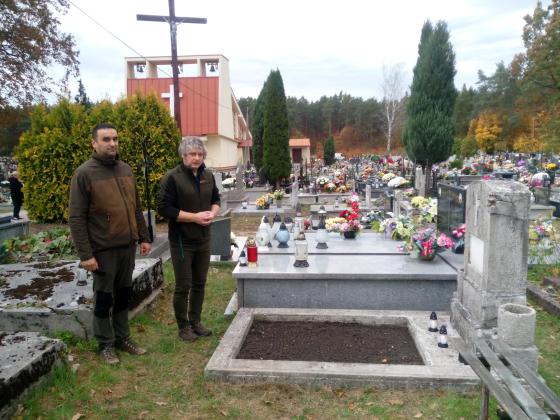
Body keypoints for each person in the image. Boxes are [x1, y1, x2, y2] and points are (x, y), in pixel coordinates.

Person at [68, 123, 151, 364]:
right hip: (103, 250)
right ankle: (105, 344)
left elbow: (135, 207)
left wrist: (144, 236)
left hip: (127, 246)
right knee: (104, 298)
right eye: (106, 139)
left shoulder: (125, 169)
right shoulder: (84, 174)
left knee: (124, 294)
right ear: (94, 143)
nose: (112, 143)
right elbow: (76, 217)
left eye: (115, 139)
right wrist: (86, 255)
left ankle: (123, 338)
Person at [157, 136, 220, 342]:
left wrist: (212, 213)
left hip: (203, 238)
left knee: (200, 283)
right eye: (192, 154)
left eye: (200, 154)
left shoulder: (208, 176)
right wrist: (195, 217)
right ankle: (183, 326)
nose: (196, 158)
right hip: (182, 241)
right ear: (183, 155)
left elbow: (216, 199)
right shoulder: (172, 178)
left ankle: (195, 321)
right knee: (184, 285)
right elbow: (164, 208)